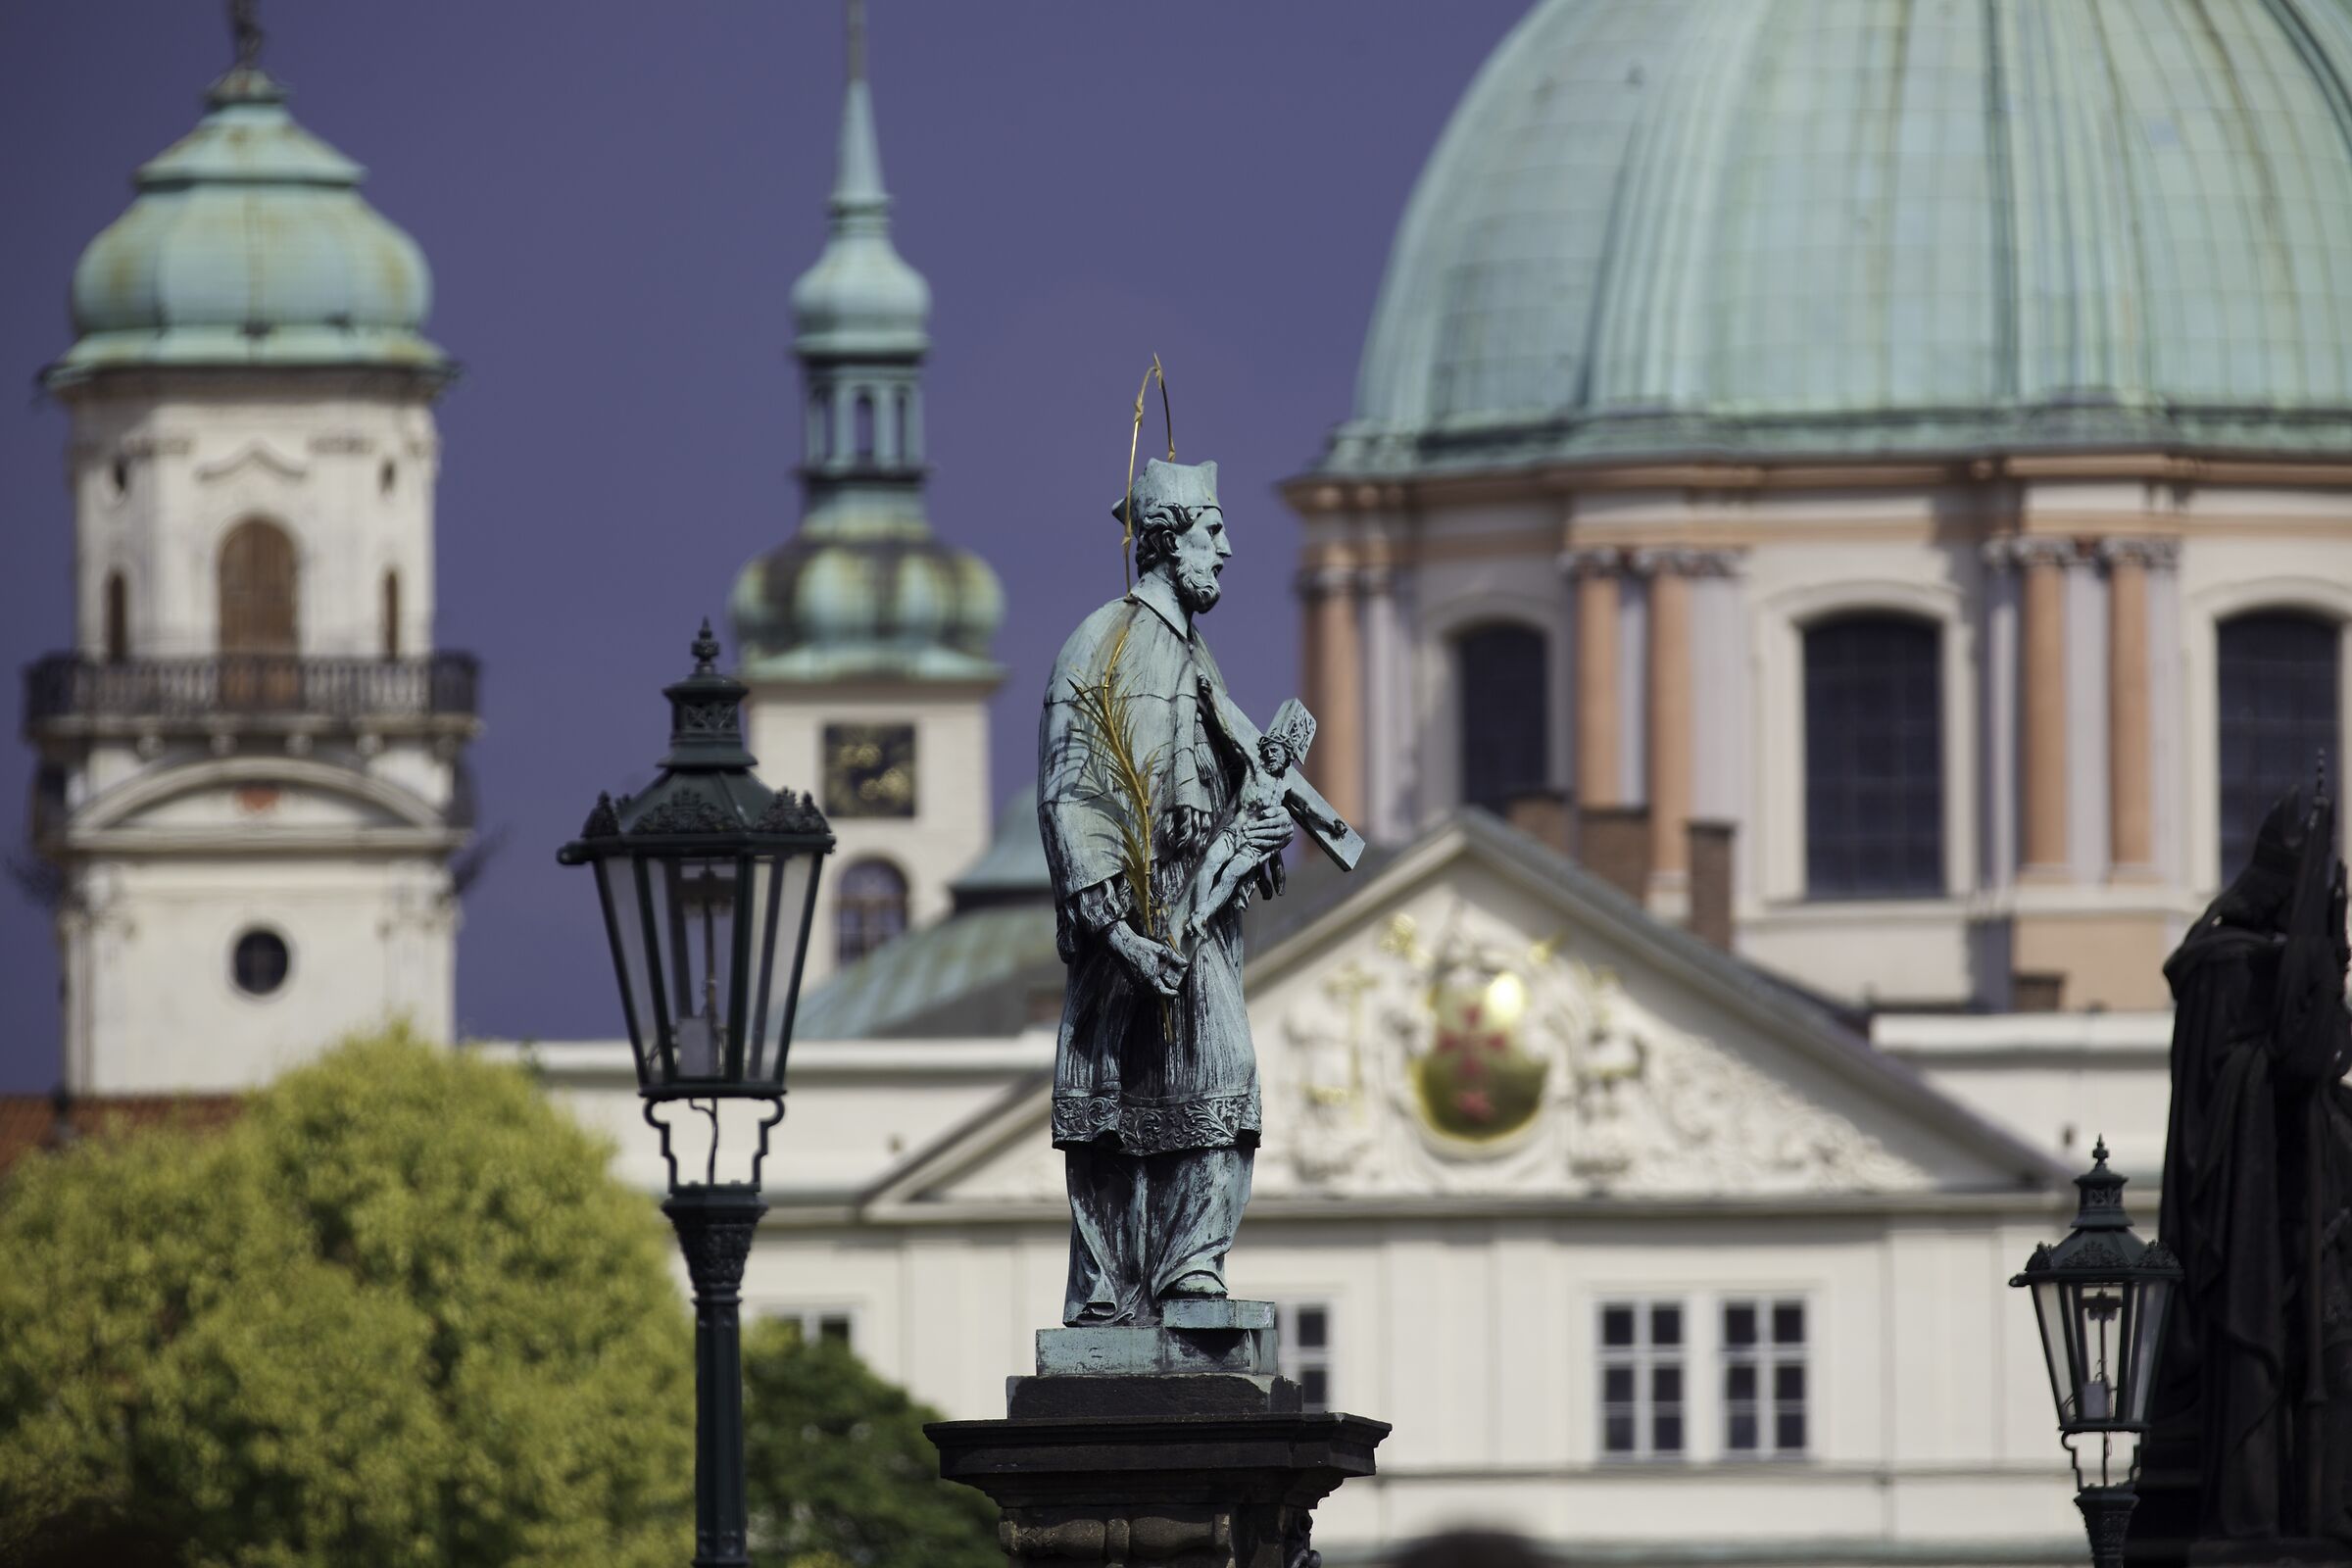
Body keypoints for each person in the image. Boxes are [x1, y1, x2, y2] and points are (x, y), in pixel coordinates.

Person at [1036, 458, 1294, 1326]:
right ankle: (1112, 1288)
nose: (1226, 549)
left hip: (1201, 909)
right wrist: (1121, 933)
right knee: (1120, 1105)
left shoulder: (1193, 653)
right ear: (1167, 538)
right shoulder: (1099, 643)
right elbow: (1072, 794)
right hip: (1133, 922)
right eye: (1211, 530)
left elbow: (1214, 779)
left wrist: (1253, 834)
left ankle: (1190, 1273)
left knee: (1215, 1081)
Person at [2151, 776, 2352, 1546]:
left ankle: (2320, 1506)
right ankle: (2258, 1510)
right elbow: (2226, 1082)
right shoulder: (2223, 964)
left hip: (2293, 1192)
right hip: (2246, 1202)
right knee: (2258, 1358)